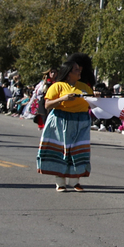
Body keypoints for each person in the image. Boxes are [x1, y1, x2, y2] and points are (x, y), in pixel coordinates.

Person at [35, 54, 94, 190]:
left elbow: (92, 103)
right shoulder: (57, 86)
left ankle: (75, 181)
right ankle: (60, 182)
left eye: (79, 69)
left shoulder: (84, 87)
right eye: (76, 70)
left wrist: (96, 97)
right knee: (61, 151)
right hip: (61, 120)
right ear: (68, 74)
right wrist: (63, 99)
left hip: (81, 121)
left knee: (78, 151)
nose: (79, 71)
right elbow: (47, 104)